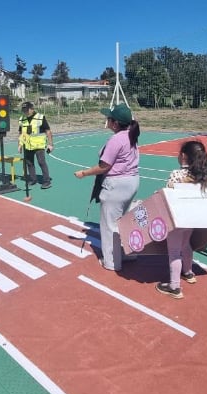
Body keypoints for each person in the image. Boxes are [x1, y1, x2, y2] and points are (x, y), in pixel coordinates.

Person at [74, 103, 140, 271]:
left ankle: (111, 262)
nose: (107, 120)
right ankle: (127, 253)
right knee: (122, 222)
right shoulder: (131, 134)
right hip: (131, 182)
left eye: (109, 118)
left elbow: (104, 166)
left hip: (116, 186)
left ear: (115, 123)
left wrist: (84, 173)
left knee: (110, 225)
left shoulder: (116, 139)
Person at [155, 140, 207, 299]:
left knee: (174, 252)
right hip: (192, 218)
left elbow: (168, 194)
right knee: (186, 245)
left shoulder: (177, 174)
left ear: (183, 156)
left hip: (177, 218)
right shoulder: (204, 176)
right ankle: (188, 272)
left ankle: (174, 287)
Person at [17, 101, 54, 189]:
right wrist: (20, 145)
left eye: (26, 110)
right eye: (23, 110)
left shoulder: (40, 118)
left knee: (41, 162)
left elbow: (48, 131)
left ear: (32, 109)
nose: (25, 112)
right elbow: (20, 133)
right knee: (29, 163)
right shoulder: (22, 119)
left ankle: (46, 181)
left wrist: (50, 144)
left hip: (38, 145)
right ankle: (33, 179)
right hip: (27, 145)